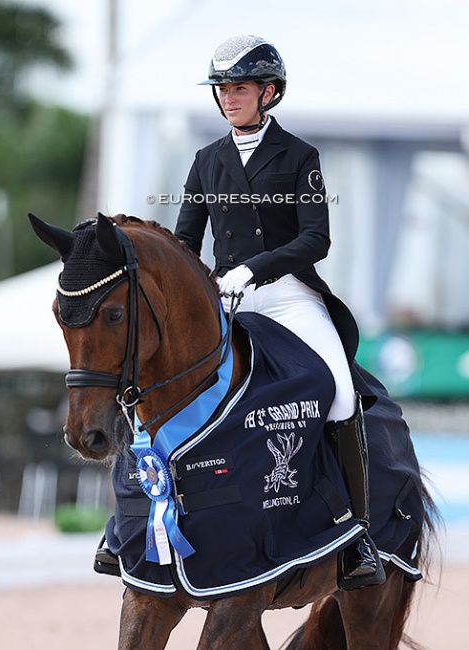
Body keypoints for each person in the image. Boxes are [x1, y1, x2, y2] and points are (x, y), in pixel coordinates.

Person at [173, 34, 385, 590]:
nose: (228, 98)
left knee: (338, 391)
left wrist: (254, 268)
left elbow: (317, 238)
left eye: (239, 88)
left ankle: (356, 533)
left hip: (288, 293)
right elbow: (184, 243)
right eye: (222, 89)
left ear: (270, 92)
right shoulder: (206, 160)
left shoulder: (299, 157)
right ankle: (128, 525)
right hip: (227, 296)